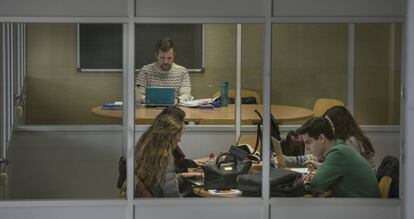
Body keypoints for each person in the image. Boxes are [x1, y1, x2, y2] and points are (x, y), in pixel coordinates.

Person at [296, 117, 380, 197]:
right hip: (362, 204)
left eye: (308, 142)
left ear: (322, 138)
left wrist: (311, 177)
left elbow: (316, 184)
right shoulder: (340, 147)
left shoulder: (338, 153)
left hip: (364, 207)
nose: (307, 148)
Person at [134, 107, 185, 197]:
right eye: (179, 135)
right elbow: (172, 198)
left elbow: (159, 181)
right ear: (170, 135)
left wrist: (182, 176)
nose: (179, 140)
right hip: (161, 209)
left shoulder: (145, 145)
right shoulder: (164, 157)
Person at [136, 37, 193, 103]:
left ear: (174, 56)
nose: (166, 61)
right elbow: (138, 96)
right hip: (150, 110)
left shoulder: (182, 72)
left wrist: (176, 100)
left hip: (175, 110)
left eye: (169, 58)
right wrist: (157, 101)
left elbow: (186, 95)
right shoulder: (145, 71)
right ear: (156, 55)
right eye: (162, 58)